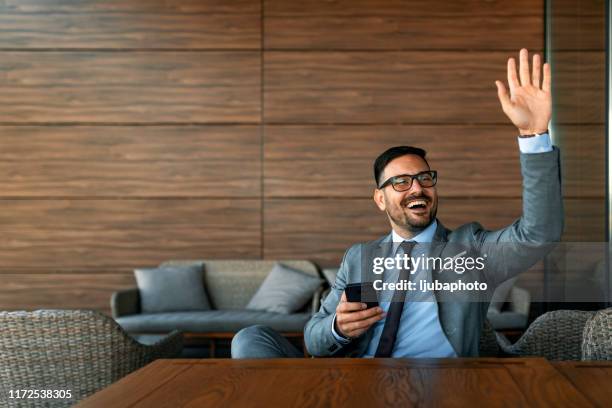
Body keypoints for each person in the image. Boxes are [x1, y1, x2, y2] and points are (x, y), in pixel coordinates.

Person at [231, 48, 562, 358]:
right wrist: (338, 328)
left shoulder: (470, 249)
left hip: (436, 384)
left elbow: (538, 234)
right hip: (358, 381)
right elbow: (314, 337)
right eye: (401, 182)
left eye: (425, 178)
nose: (417, 189)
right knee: (250, 338)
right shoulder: (360, 258)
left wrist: (534, 136)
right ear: (380, 198)